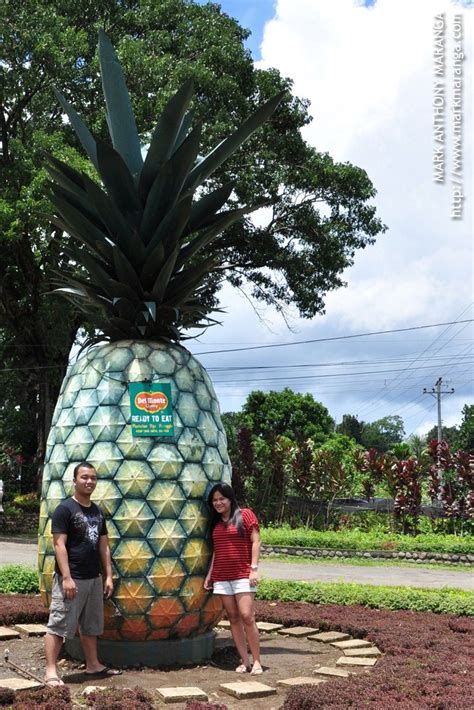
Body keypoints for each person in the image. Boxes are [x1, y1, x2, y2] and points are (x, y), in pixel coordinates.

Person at [44, 461, 122, 686]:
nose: (89, 482)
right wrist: (66, 577)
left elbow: (103, 545)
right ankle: (50, 671)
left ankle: (93, 664)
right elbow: (59, 545)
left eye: (93, 478)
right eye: (84, 477)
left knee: (91, 625)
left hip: (93, 577)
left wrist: (107, 575)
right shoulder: (65, 509)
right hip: (72, 578)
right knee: (59, 624)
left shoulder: (96, 511)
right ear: (75, 480)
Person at [204, 483, 263, 675]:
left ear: (230, 499)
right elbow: (216, 551)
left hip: (242, 575)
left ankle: (257, 661)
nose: (218, 503)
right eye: (215, 500)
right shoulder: (215, 522)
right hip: (221, 577)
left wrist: (254, 569)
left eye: (222, 498)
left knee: (247, 616)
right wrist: (210, 575)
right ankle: (244, 660)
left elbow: (256, 541)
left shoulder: (245, 515)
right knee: (234, 618)